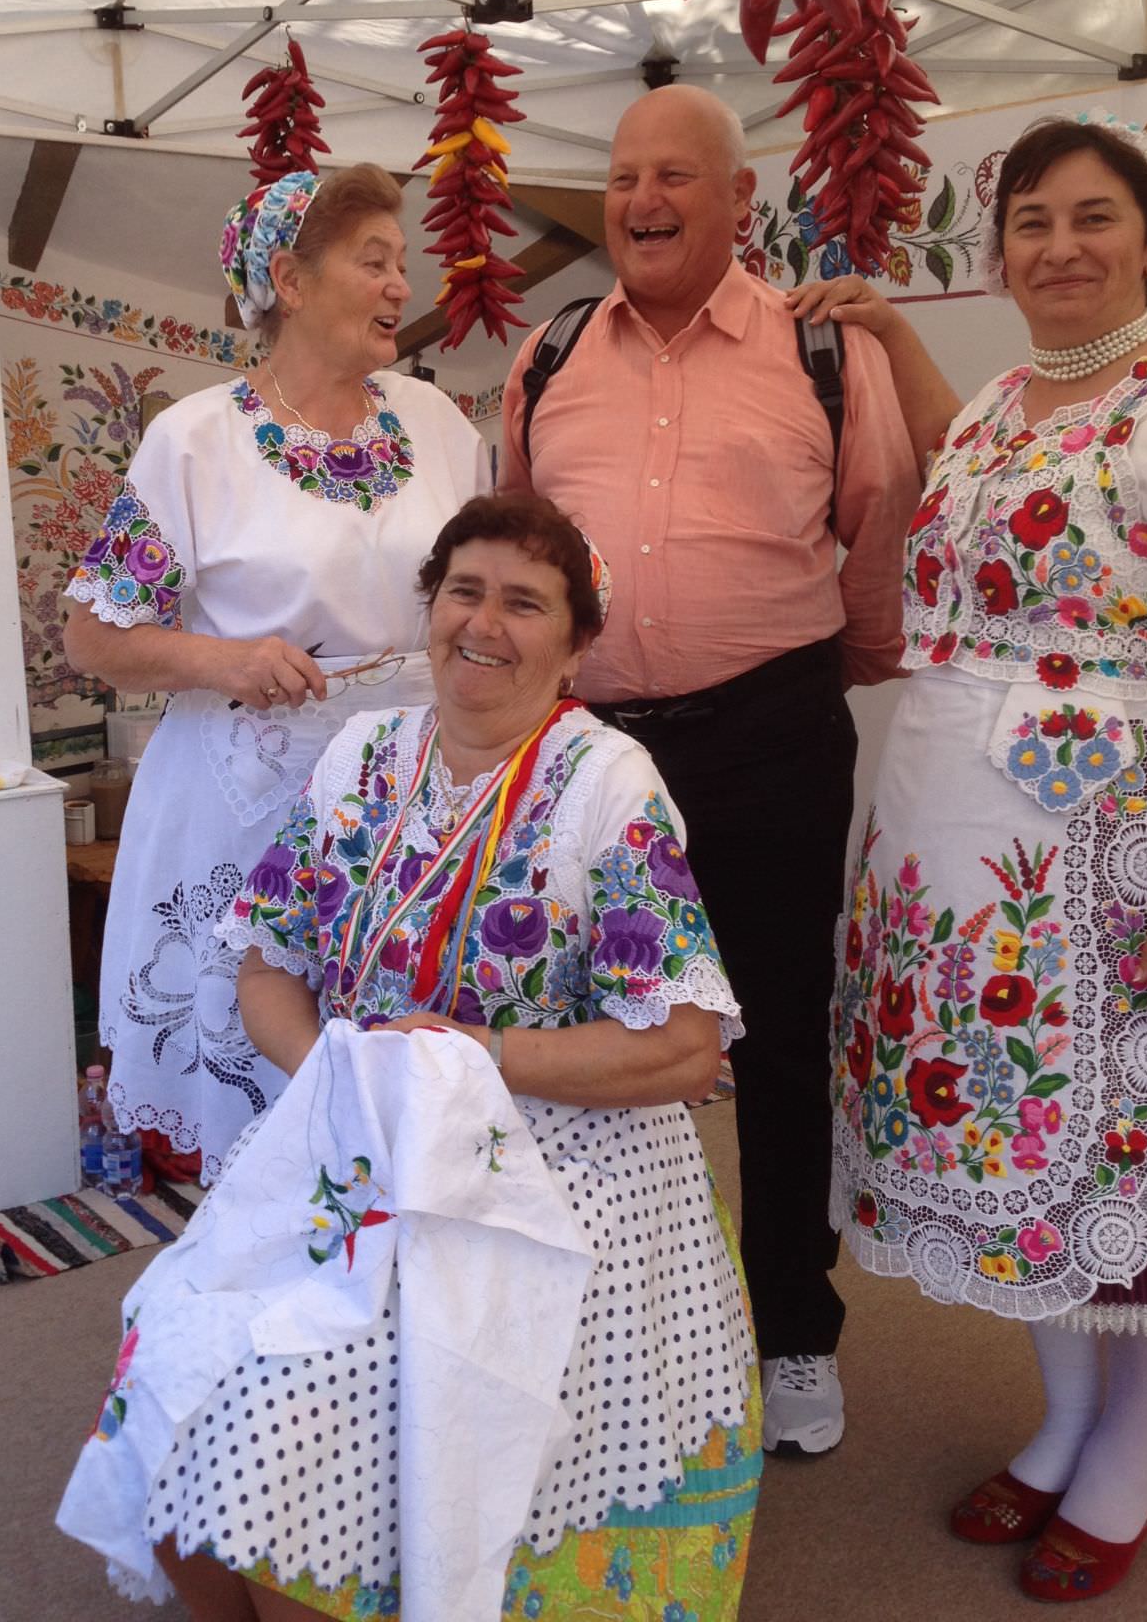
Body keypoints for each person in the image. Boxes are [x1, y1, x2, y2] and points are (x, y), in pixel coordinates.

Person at [58, 493, 760, 1621]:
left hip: (548, 1170)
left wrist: (475, 1056)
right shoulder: (364, 752)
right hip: (358, 1139)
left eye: (525, 602)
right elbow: (266, 963)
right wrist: (343, 1075)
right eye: (464, 591)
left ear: (577, 640)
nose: (484, 623)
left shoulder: (607, 784)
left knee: (310, 1421)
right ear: (430, 609)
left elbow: (679, 1048)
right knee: (171, 1364)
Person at [499, 83, 919, 1455]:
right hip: (592, 755)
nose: (643, 201)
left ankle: (793, 1330)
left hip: (771, 735)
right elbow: (517, 548)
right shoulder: (549, 351)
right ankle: (593, 1328)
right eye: (623, 177)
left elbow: (878, 534)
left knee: (783, 1042)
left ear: (743, 201)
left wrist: (812, 680)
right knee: (583, 1039)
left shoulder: (819, 357)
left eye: (677, 175)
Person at [809, 115, 1147, 1601]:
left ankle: (1122, 1455)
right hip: (957, 847)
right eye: (1031, 222)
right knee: (1013, 1137)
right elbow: (990, 492)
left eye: (1096, 219)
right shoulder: (998, 411)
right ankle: (1064, 1417)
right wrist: (896, 340)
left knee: (1131, 1149)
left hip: (1115, 845)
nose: (1062, 248)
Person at [62, 164, 490, 1180]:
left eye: (403, 262)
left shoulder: (438, 427)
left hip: (410, 799)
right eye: (372, 261)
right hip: (246, 806)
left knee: (405, 1083)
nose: (400, 285)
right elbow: (92, 635)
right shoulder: (195, 441)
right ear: (290, 282)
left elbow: (484, 586)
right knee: (260, 1098)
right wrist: (225, 658)